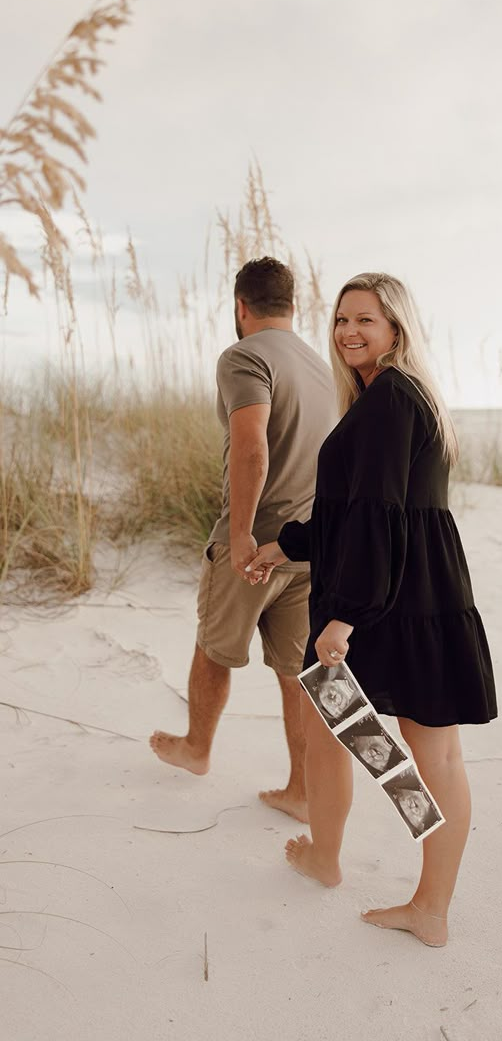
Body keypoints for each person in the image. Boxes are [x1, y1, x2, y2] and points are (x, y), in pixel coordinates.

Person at [246, 271, 496, 947]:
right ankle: (327, 856)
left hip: (395, 599)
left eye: (367, 320)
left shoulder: (390, 398)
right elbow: (352, 510)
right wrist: (284, 543)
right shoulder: (389, 397)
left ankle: (431, 907)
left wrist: (344, 617)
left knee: (430, 754)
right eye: (341, 319)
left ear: (396, 329)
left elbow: (381, 514)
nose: (350, 331)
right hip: (396, 587)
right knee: (333, 723)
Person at [150, 257, 335, 824]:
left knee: (214, 649)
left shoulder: (244, 355)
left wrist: (239, 536)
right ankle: (302, 791)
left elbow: (252, 447)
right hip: (309, 547)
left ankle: (197, 749)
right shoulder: (323, 367)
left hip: (257, 546)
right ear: (293, 306)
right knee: (298, 673)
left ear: (240, 306)